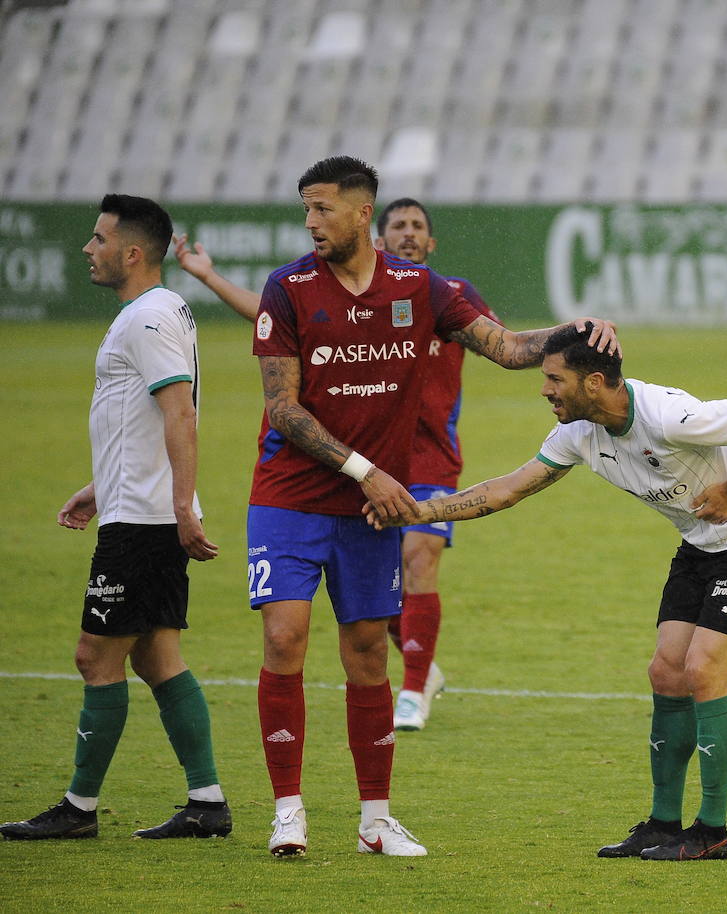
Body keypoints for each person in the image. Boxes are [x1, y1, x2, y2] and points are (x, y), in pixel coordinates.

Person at [247, 155, 617, 859]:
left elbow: (508, 348)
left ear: (361, 214)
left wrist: (578, 328)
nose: (310, 222)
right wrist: (366, 471)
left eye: (322, 209)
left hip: (372, 507)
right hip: (290, 494)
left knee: (364, 652)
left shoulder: (422, 289)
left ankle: (375, 821)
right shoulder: (287, 288)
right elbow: (282, 408)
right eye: (306, 209)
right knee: (284, 638)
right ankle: (288, 811)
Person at [365, 324, 727, 861]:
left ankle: (712, 832)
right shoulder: (577, 433)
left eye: (553, 378)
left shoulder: (667, 416)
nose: (544, 389)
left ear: (594, 382)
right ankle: (663, 824)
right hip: (700, 544)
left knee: (704, 670)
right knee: (666, 671)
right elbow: (506, 489)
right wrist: (421, 511)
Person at [174, 197, 499, 732]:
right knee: (377, 595)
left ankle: (414, 689)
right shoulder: (347, 294)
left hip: (429, 458)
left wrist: (566, 347)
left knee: (419, 558)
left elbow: (502, 343)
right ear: (379, 235)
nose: (410, 233)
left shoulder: (447, 295)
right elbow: (271, 316)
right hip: (361, 458)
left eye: (420, 226)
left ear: (432, 242)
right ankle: (421, 665)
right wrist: (209, 276)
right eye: (400, 225)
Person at [1, 194, 231, 841]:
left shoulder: (148, 318)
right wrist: (101, 485)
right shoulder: (157, 312)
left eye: (99, 239)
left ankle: (78, 810)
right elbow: (139, 422)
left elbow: (179, 412)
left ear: (132, 252)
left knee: (93, 657)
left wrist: (181, 506)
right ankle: (207, 803)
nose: (87, 248)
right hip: (141, 511)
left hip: (145, 525)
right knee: (158, 657)